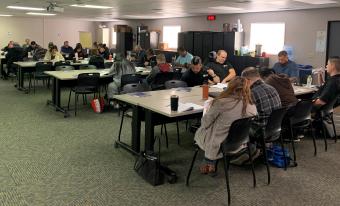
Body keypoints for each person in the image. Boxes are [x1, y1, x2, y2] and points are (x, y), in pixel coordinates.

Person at [194, 76, 257, 173]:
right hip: (240, 142)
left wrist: (208, 112)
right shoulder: (251, 105)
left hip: (220, 143)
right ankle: (211, 162)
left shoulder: (221, 102)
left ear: (229, 87)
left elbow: (205, 124)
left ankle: (209, 163)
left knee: (201, 131)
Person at [241, 67, 281, 138]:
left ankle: (250, 148)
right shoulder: (272, 88)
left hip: (260, 130)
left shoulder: (251, 93)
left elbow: (245, 115)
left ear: (247, 80)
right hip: (275, 128)